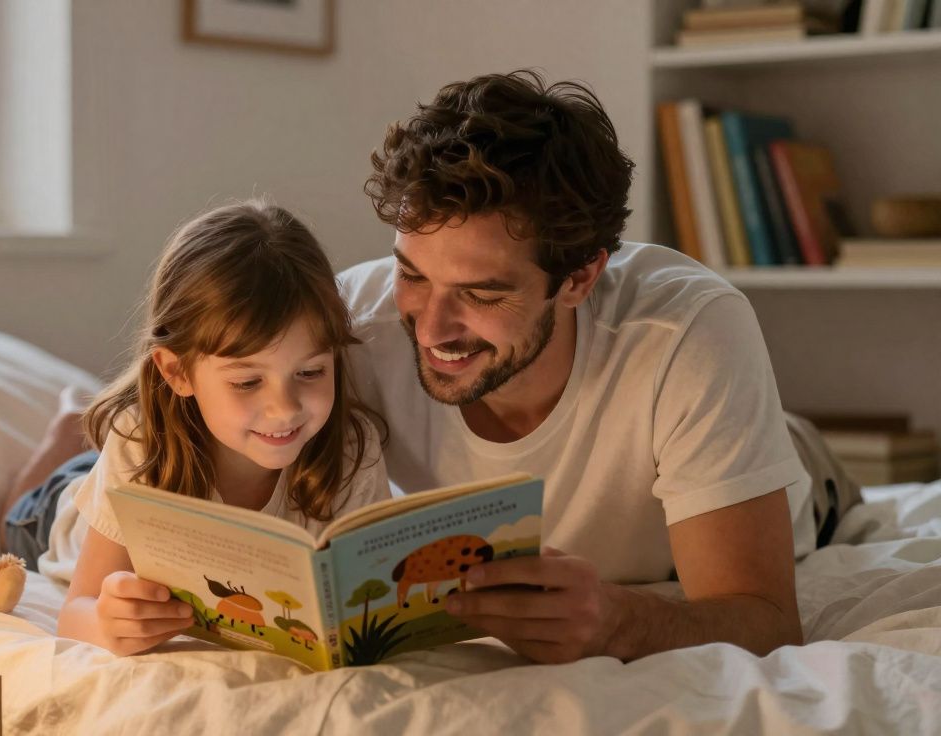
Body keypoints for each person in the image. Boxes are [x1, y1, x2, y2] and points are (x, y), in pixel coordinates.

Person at [339, 70, 812, 664]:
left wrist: (618, 624)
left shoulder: (687, 332)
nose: (431, 330)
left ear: (580, 277)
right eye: (411, 275)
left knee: (794, 449)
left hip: (782, 478)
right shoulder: (349, 328)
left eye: (481, 294)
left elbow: (766, 621)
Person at [36, 201, 391, 656]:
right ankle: (63, 433)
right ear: (177, 372)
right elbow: (74, 613)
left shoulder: (353, 449)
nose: (285, 409)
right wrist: (106, 624)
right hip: (60, 516)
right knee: (27, 511)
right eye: (247, 382)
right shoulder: (139, 441)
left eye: (310, 373)